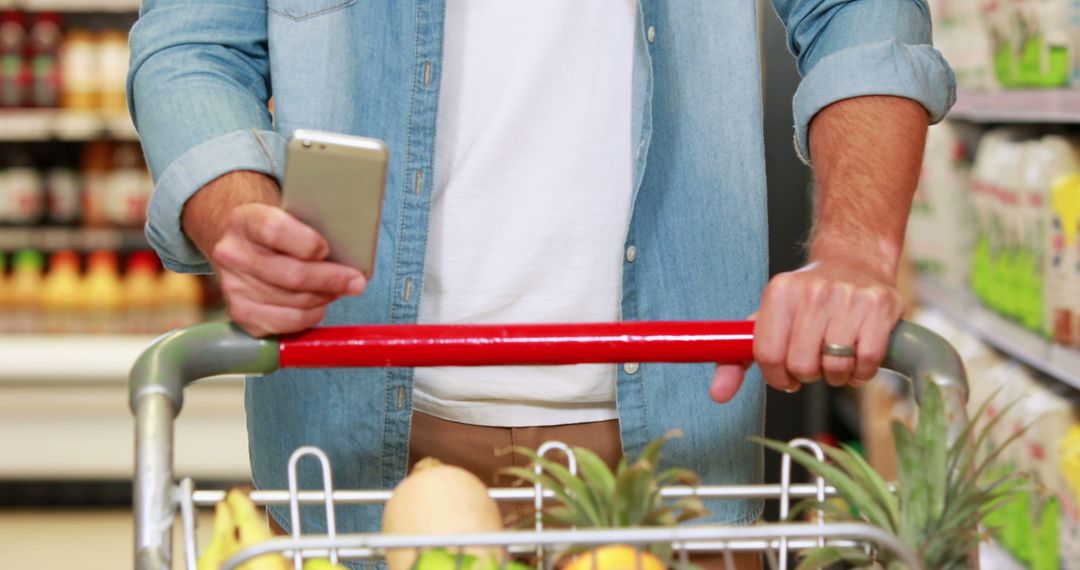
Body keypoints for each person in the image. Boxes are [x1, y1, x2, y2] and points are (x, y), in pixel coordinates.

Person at [128, 1, 953, 567]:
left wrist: (853, 248)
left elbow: (857, 10)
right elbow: (193, 42)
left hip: (676, 452)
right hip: (345, 445)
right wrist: (233, 208)